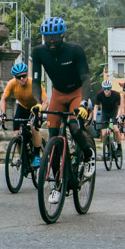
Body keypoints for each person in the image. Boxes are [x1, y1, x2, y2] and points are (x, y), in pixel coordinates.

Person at [32, 17, 95, 205]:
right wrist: (37, 103)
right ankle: (59, 185)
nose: (51, 41)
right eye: (47, 37)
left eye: (55, 38)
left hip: (76, 92)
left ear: (62, 35)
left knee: (75, 128)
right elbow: (36, 81)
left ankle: (88, 155)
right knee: (53, 137)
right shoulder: (38, 52)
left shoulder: (75, 50)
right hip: (58, 94)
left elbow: (86, 79)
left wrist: (83, 103)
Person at [0, 61, 45, 169]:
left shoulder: (34, 83)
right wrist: (3, 114)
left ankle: (36, 156)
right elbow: (3, 99)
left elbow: (45, 101)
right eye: (18, 77)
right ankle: (23, 158)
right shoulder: (12, 84)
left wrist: (39, 110)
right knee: (17, 135)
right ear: (15, 77)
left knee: (34, 128)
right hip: (23, 107)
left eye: (24, 76)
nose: (21, 79)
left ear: (27, 74)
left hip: (35, 107)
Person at [95, 79, 123, 161]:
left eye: (108, 89)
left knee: (116, 130)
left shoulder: (116, 94)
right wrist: (94, 119)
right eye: (104, 89)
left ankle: (119, 147)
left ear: (110, 88)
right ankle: (109, 148)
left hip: (114, 112)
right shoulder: (99, 94)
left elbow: (120, 107)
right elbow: (96, 107)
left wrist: (118, 116)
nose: (106, 91)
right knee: (103, 134)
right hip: (105, 113)